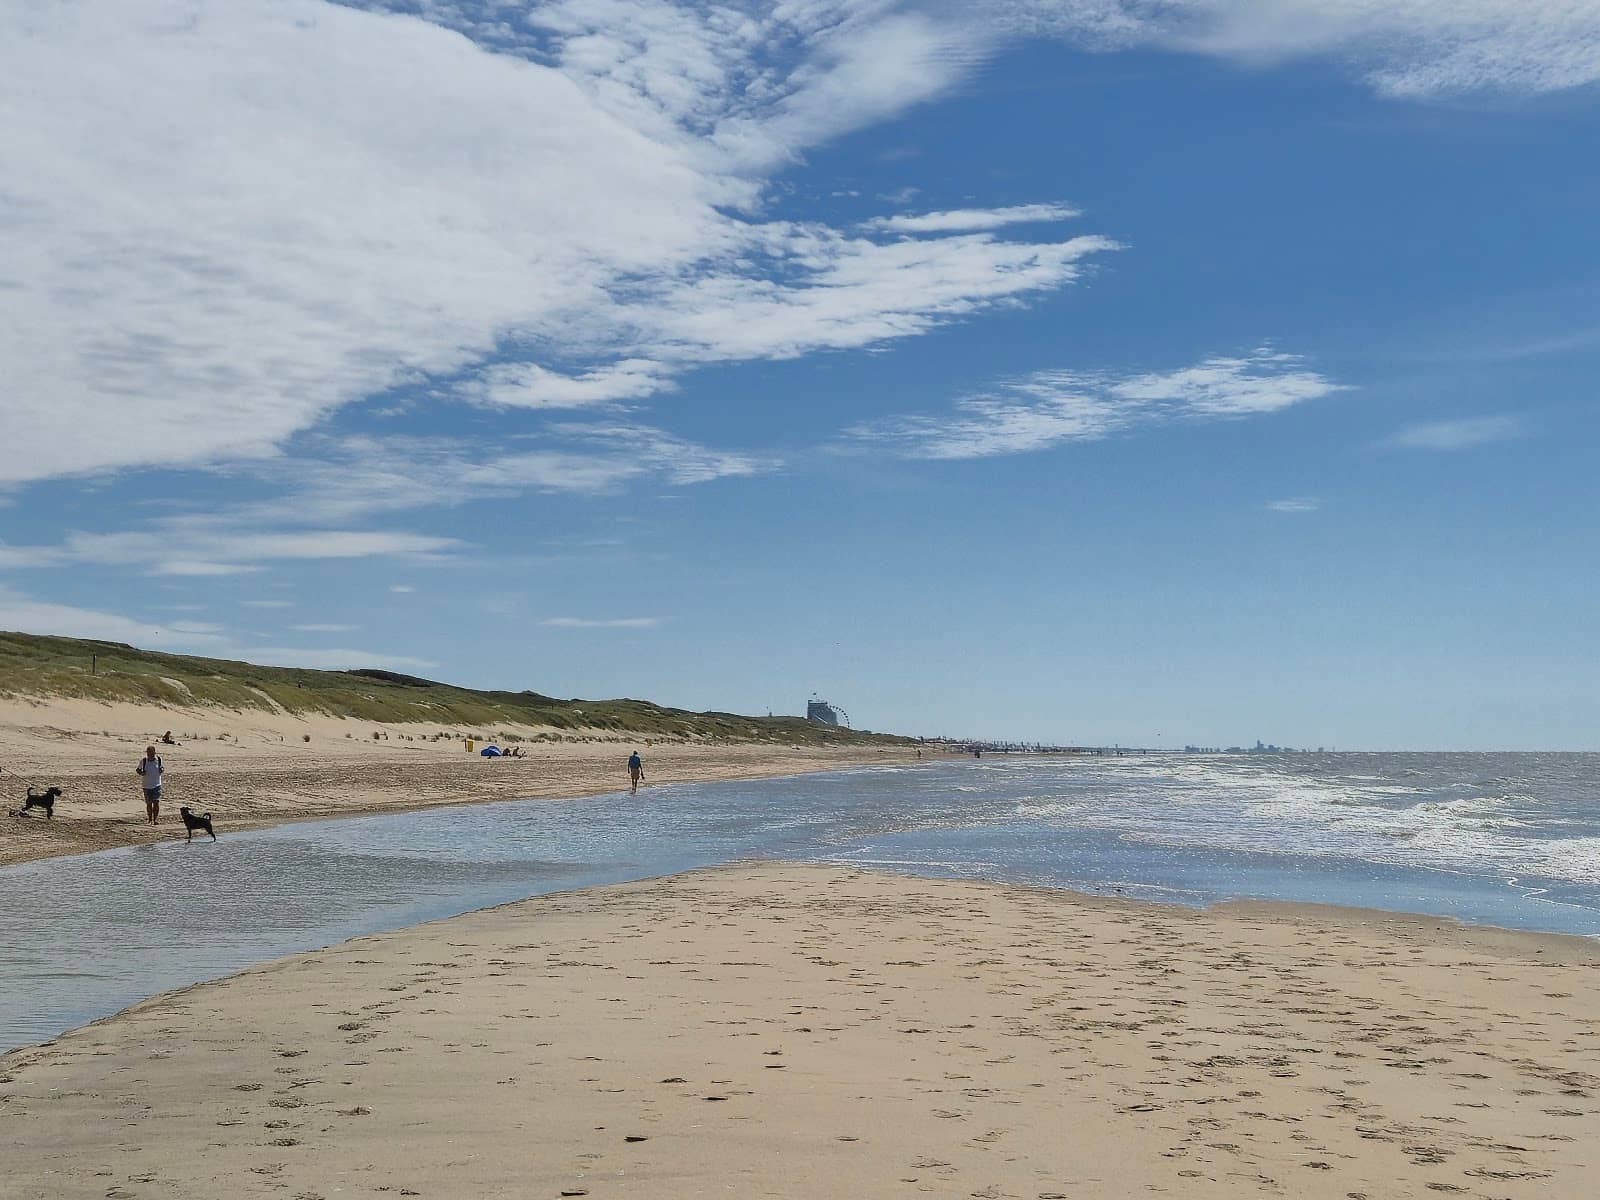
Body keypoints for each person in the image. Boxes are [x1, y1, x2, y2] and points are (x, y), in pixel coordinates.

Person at [136, 745, 164, 825]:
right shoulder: (144, 761)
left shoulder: (158, 759)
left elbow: (162, 768)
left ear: (154, 752)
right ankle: (150, 819)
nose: (149, 754)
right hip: (146, 785)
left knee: (156, 802)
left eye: (151, 753)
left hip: (157, 784)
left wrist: (161, 770)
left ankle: (155, 820)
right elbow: (138, 770)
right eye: (148, 753)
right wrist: (141, 773)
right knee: (149, 803)